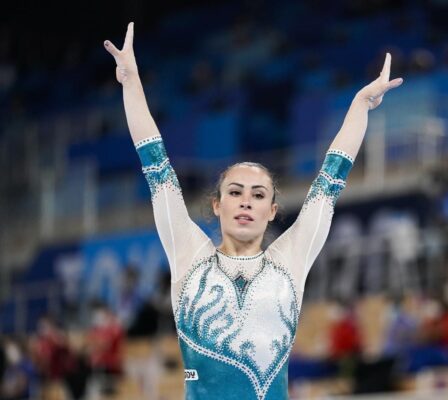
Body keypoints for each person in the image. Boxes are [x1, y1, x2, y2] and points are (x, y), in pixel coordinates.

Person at [104, 22, 403, 399]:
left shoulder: (289, 262)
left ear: (272, 210)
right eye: (235, 191)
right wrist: (131, 84)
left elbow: (330, 181)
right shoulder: (190, 258)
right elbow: (156, 166)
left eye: (258, 194)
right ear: (217, 205)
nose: (246, 200)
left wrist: (359, 105)